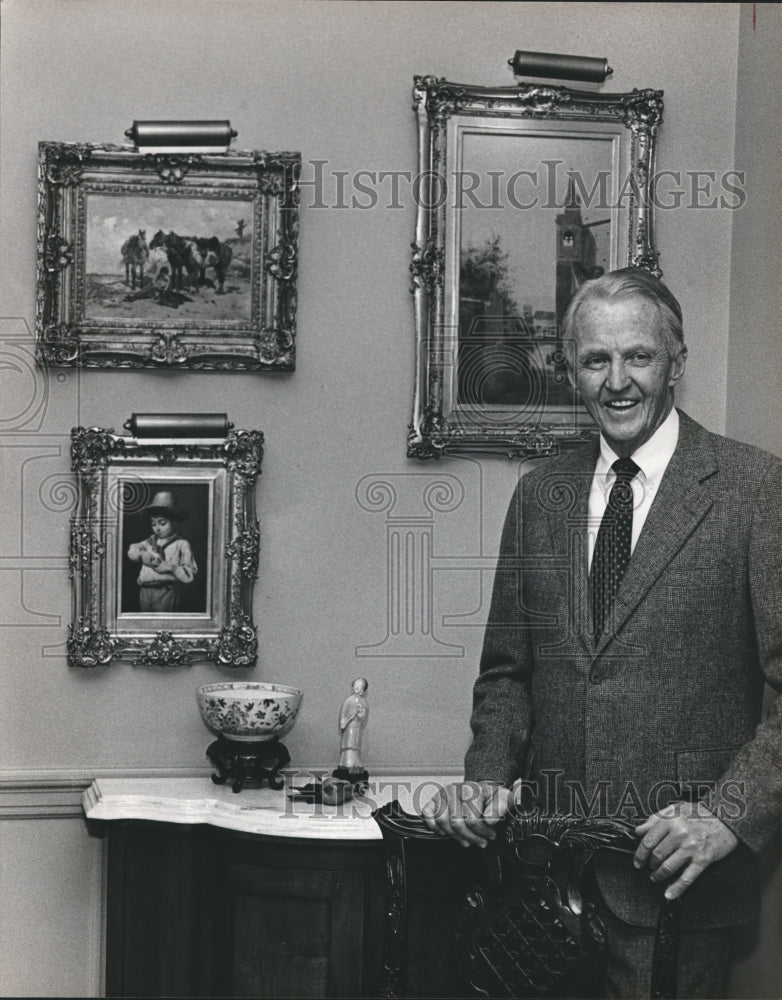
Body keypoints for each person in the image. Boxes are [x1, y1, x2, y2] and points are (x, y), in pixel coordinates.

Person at [422, 268, 781, 998]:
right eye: (596, 360)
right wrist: (486, 780)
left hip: (678, 895)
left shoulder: (756, 492)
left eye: (639, 357)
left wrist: (726, 817)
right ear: (571, 372)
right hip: (539, 887)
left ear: (676, 362)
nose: (618, 381)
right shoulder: (540, 494)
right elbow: (507, 674)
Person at [127, 490, 197, 612]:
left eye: (162, 523)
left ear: (175, 522)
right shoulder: (149, 542)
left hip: (166, 592)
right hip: (145, 591)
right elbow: (132, 549)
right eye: (153, 524)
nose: (157, 528)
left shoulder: (182, 544)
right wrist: (139, 555)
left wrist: (171, 567)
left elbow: (189, 576)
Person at [338, 677, 369, 772]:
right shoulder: (348, 701)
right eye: (356, 685)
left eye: (360, 686)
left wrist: (361, 713)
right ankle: (347, 763)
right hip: (349, 727)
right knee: (349, 744)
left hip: (357, 727)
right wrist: (347, 719)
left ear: (363, 689)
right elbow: (343, 715)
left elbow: (364, 715)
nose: (357, 687)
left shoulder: (363, 702)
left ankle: (355, 763)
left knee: (356, 744)